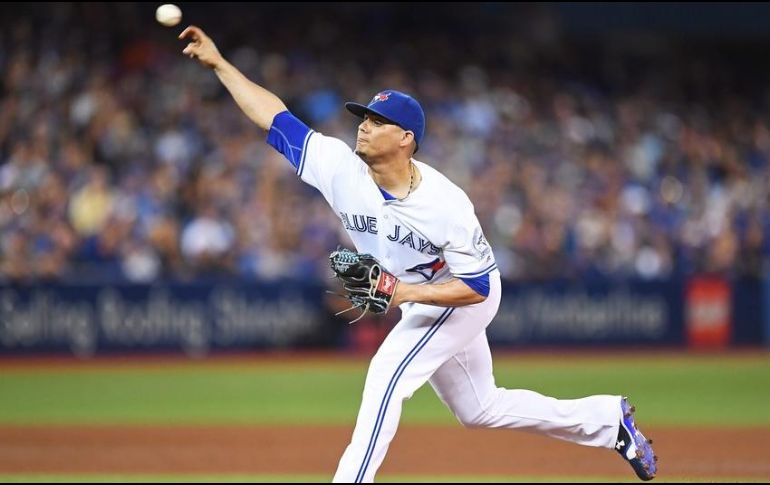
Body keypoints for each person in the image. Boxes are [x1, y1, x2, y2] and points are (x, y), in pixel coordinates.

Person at [178, 25, 659, 482]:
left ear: (405, 139)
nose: (363, 127)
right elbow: (274, 116)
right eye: (363, 118)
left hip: (460, 295)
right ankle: (605, 419)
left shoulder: (445, 204)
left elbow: (478, 287)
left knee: (386, 374)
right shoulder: (339, 169)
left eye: (377, 121)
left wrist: (402, 292)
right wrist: (220, 64)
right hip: (419, 294)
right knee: (480, 409)